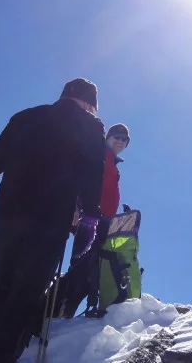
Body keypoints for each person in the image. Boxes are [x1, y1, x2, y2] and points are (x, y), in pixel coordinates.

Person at [0, 78, 105, 363]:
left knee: (2, 288)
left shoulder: (25, 117)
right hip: (52, 220)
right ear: (89, 104)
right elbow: (93, 176)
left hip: (8, 214)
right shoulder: (92, 127)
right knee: (25, 294)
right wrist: (89, 221)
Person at [55, 123, 131, 318]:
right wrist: (76, 207)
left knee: (93, 265)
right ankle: (62, 311)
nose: (121, 141)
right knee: (81, 265)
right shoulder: (99, 156)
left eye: (125, 139)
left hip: (104, 221)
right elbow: (83, 181)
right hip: (89, 218)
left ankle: (67, 310)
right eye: (117, 137)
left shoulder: (113, 162)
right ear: (108, 137)